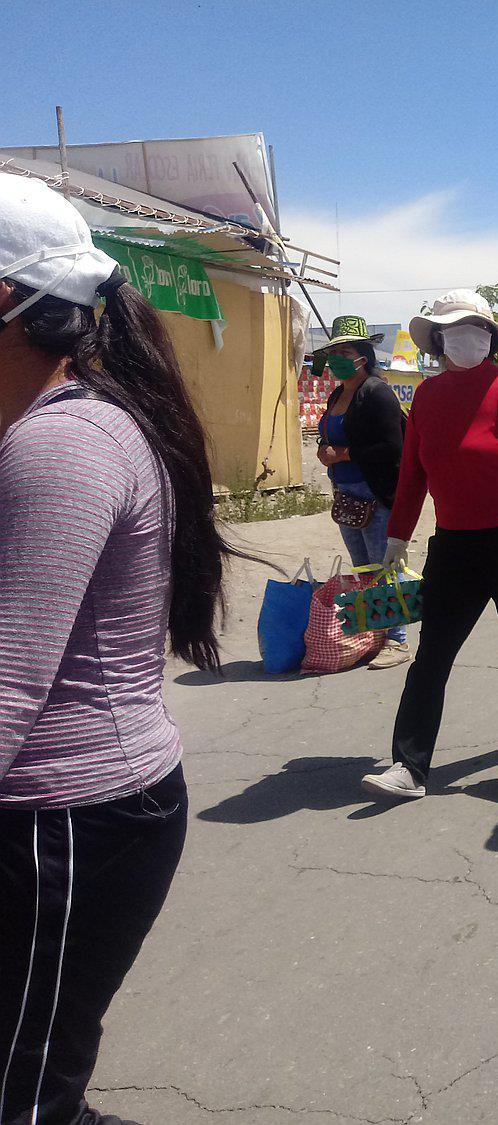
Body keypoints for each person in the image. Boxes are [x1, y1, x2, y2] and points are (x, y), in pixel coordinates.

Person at [0, 175, 240, 1125]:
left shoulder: (65, 443)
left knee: (23, 1099)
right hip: (62, 818)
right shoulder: (43, 426)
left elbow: (7, 682)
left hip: (68, 822)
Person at [361, 291, 498, 801]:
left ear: (490, 338)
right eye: (454, 328)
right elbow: (413, 476)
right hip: (453, 546)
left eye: (476, 327)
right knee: (432, 656)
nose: (466, 336)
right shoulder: (426, 398)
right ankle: (409, 767)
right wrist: (397, 536)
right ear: (439, 340)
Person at [314, 315, 410, 669]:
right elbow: (331, 434)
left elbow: (392, 447)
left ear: (363, 355)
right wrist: (325, 449)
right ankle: (377, 634)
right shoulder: (338, 394)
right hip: (347, 495)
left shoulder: (377, 391)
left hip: (376, 495)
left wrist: (344, 454)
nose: (339, 357)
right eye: (334, 351)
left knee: (385, 569)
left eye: (346, 350)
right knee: (365, 569)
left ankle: (398, 641)